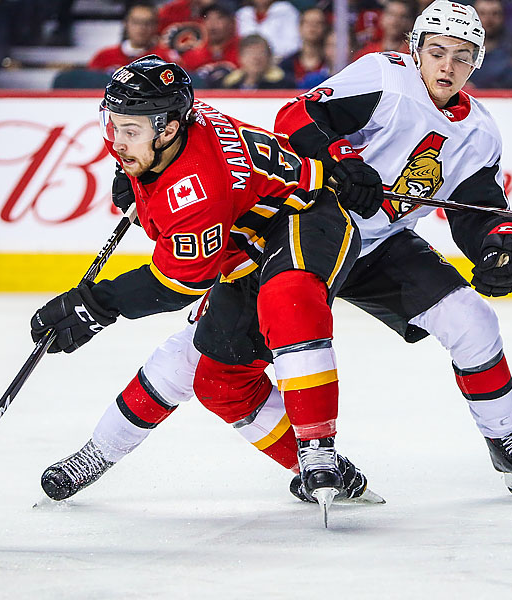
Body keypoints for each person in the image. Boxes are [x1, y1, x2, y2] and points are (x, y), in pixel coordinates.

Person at [39, 1, 512, 509]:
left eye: (462, 55)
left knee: (473, 320)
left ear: (477, 60)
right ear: (415, 47)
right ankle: (100, 454)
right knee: (195, 360)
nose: (448, 66)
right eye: (438, 51)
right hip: (306, 219)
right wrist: (342, 162)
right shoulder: (385, 77)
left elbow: (479, 210)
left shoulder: (478, 132)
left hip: (379, 243)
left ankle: (506, 441)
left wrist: (504, 245)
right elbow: (297, 116)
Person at [32, 54, 362, 515]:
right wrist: (132, 175)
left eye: (131, 131)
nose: (118, 141)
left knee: (288, 300)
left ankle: (318, 452)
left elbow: (178, 282)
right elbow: (160, 166)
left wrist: (96, 305)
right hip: (246, 244)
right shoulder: (177, 121)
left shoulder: (196, 186)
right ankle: (98, 453)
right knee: (210, 378)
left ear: (166, 130)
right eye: (115, 125)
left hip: (305, 220)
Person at [87, 2, 171, 74]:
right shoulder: (104, 56)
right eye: (136, 22)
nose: (141, 28)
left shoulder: (165, 58)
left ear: (156, 26)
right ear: (126, 24)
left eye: (148, 23)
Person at [178, 3, 240, 87]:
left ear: (231, 22)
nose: (213, 24)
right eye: (208, 18)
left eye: (219, 18)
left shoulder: (242, 51)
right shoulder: (192, 56)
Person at [279, 7, 329, 89]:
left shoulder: (331, 62)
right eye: (308, 23)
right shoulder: (286, 64)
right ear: (299, 27)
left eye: (318, 23)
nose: (313, 27)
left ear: (325, 28)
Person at [220, 33, 294, 89]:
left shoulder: (284, 84)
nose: (255, 58)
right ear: (240, 58)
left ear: (269, 57)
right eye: (250, 53)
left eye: (261, 52)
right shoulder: (229, 84)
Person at [469, 0, 512, 88]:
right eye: (482, 13)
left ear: (503, 17)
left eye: (495, 13)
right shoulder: (460, 49)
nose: (489, 19)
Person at [235, 0, 300, 60]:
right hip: (249, 63)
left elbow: (294, 44)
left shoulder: (287, 11)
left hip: (281, 61)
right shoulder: (242, 14)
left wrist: (269, 56)